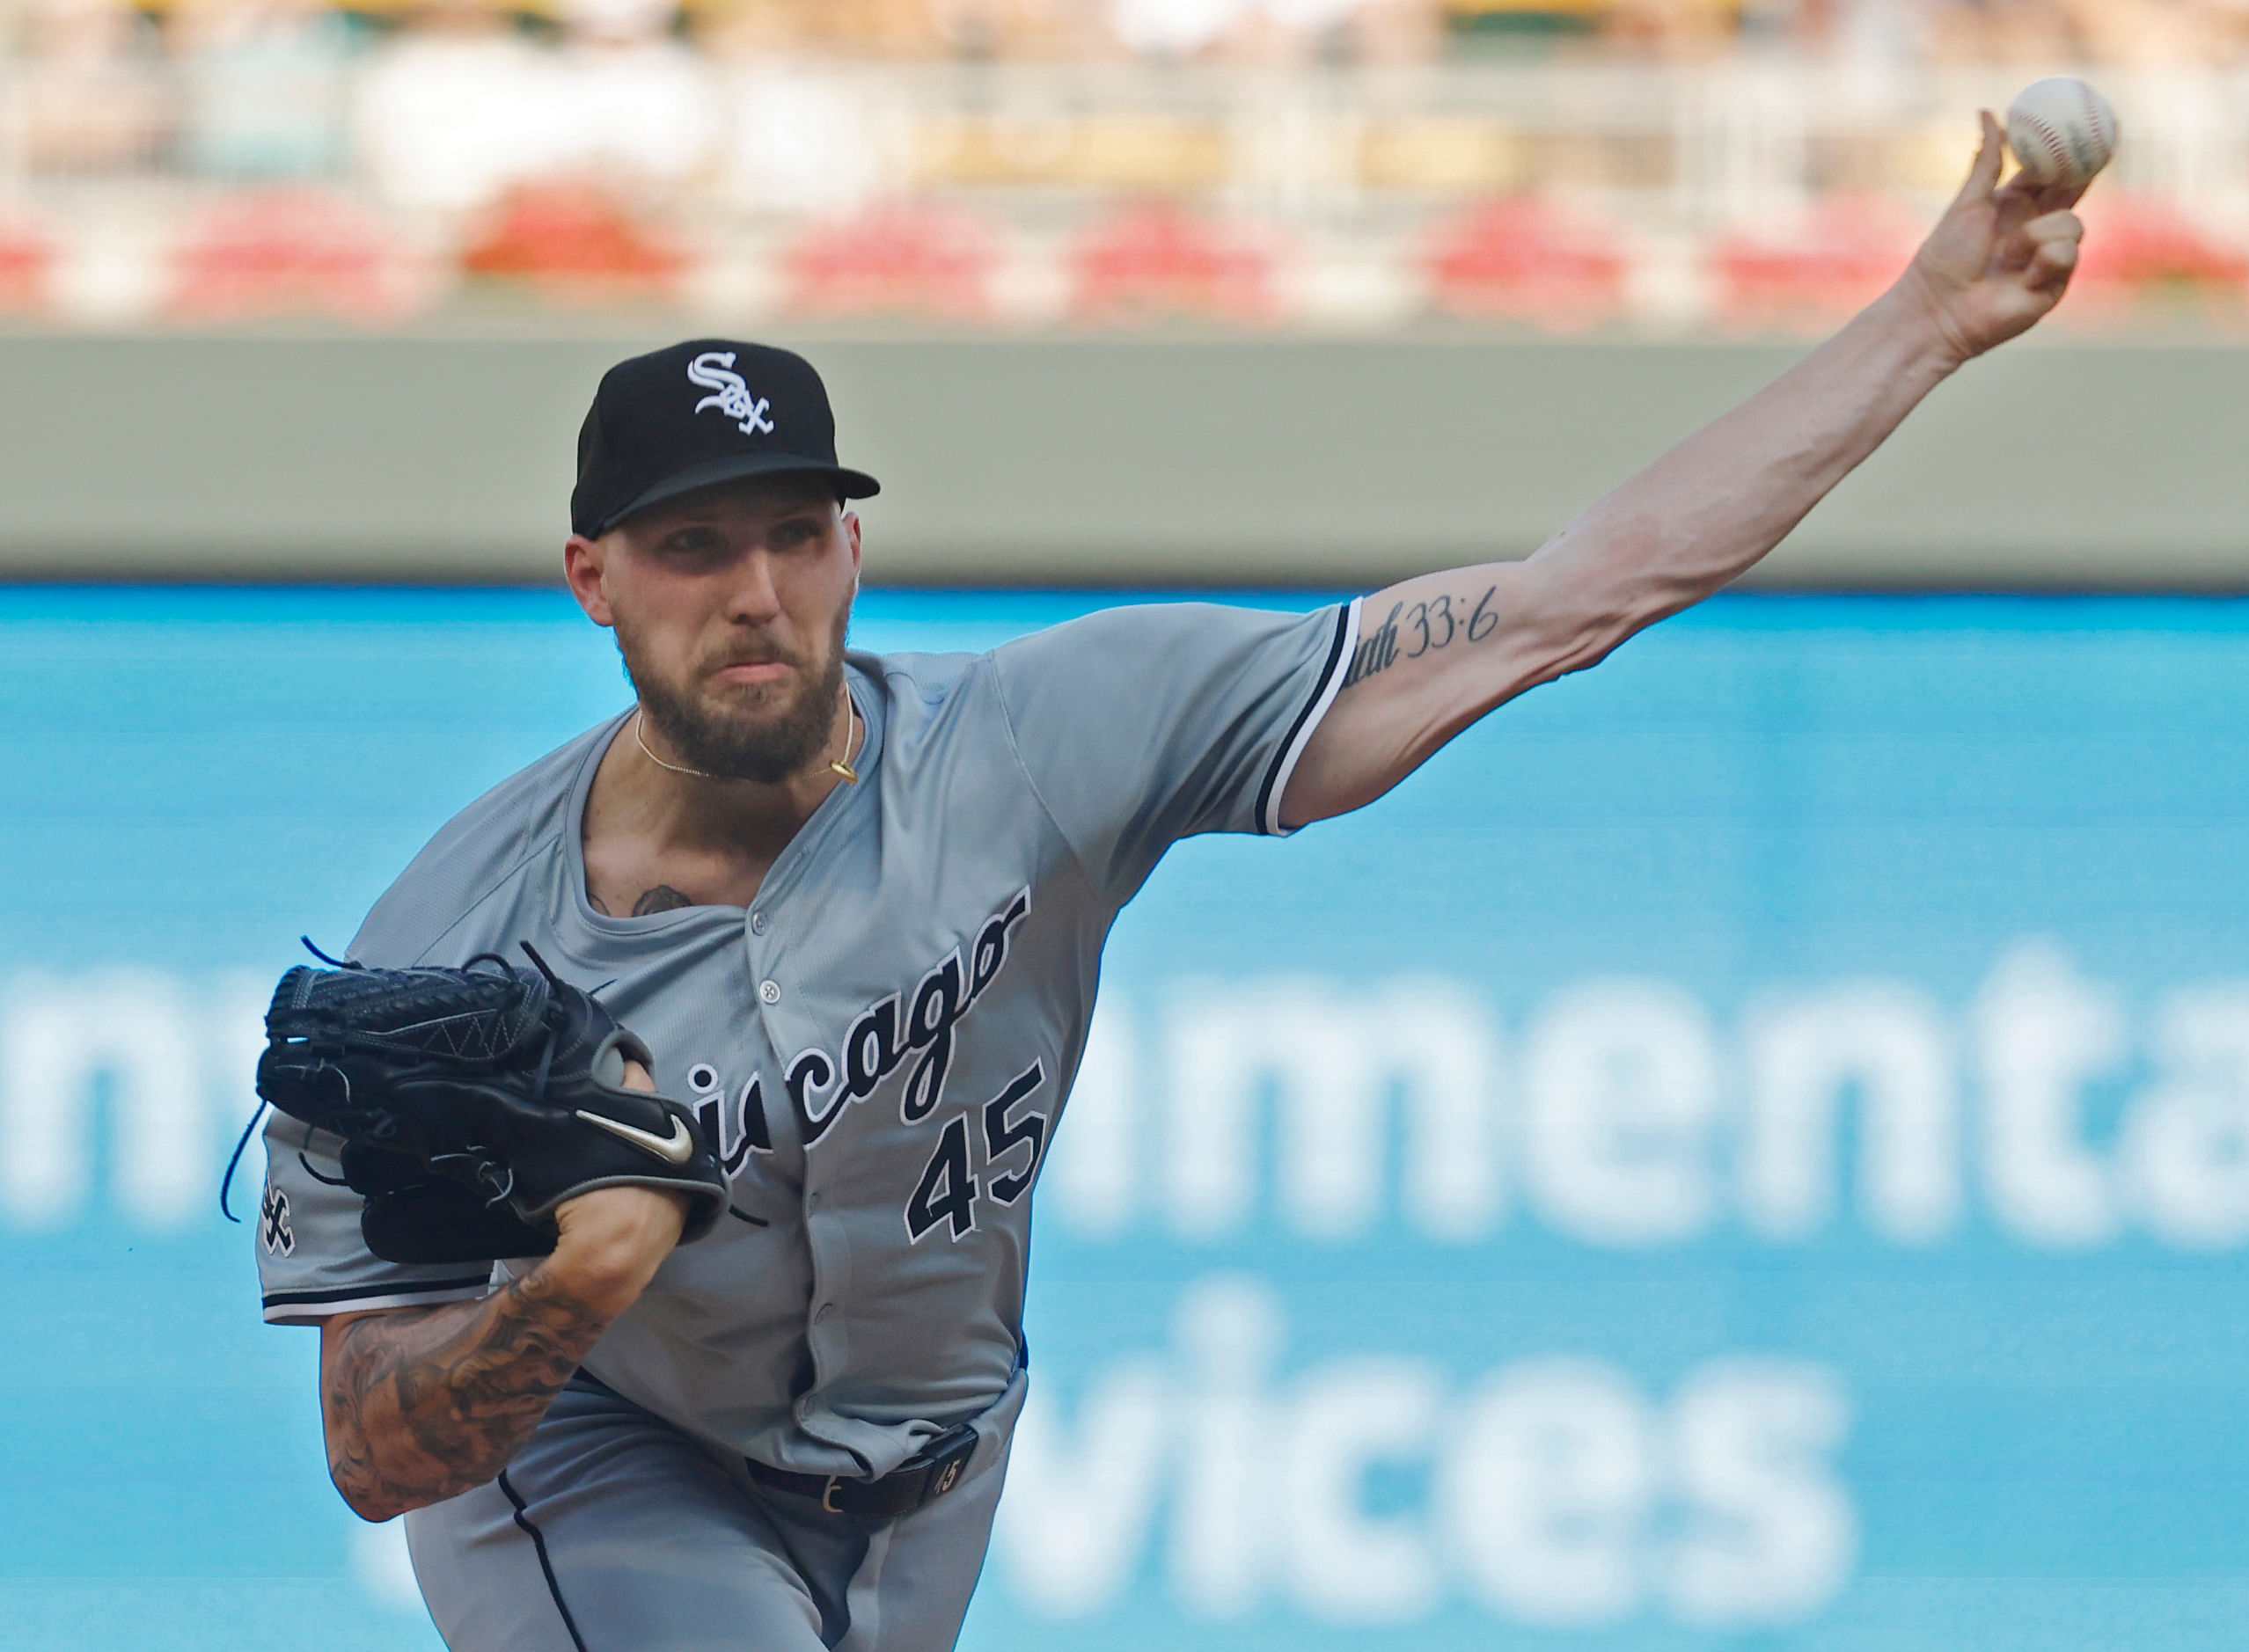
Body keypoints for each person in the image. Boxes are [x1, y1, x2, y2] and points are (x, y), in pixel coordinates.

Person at [254, 117, 2083, 1652]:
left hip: (930, 1475)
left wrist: (1922, 323)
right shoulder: (453, 950)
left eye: (794, 533)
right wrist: (577, 1288)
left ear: (851, 545)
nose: (755, 591)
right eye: (691, 545)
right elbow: (375, 1453)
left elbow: (1559, 602)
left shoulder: (1048, 737)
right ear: (594, 576)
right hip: (602, 1459)